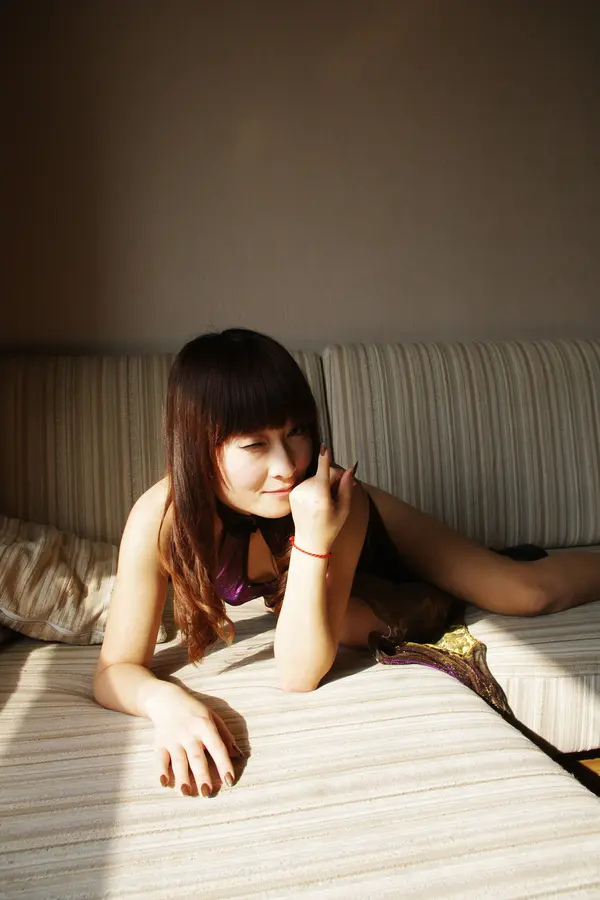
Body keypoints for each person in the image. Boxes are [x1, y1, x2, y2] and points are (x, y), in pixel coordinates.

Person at [93, 328, 600, 797]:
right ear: (198, 450)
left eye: (296, 431)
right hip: (343, 594)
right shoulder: (160, 518)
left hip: (373, 540)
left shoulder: (334, 494)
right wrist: (167, 703)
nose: (287, 465)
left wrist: (314, 535)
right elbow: (114, 670)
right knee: (351, 626)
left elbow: (298, 674)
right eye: (254, 444)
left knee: (524, 592)